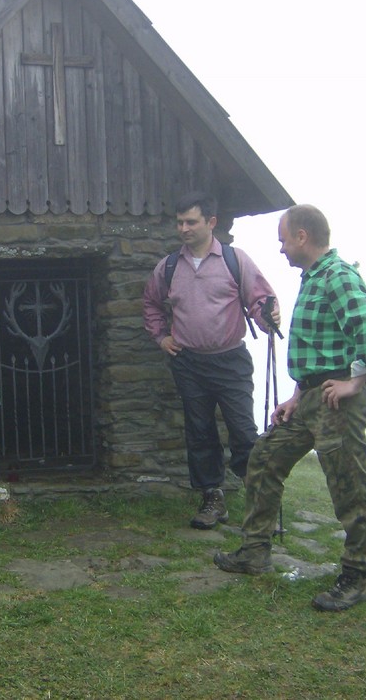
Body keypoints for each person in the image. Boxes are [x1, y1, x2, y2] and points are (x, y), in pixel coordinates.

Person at [213, 204, 366, 612]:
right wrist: (295, 396)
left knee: (349, 485)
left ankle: (357, 576)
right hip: (310, 397)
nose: (281, 248)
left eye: (283, 239)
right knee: (264, 458)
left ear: (302, 237)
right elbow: (317, 347)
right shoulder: (314, 278)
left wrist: (356, 381)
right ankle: (255, 552)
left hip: (336, 401)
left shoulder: (338, 275)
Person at [143, 191, 279, 529]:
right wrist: (161, 337)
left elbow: (261, 300)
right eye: (180, 223)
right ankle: (212, 499)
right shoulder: (169, 267)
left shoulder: (235, 260)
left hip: (231, 360)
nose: (184, 229)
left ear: (211, 222)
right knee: (200, 432)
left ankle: (259, 503)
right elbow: (151, 303)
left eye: (191, 222)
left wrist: (268, 318)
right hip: (188, 362)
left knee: (243, 431)